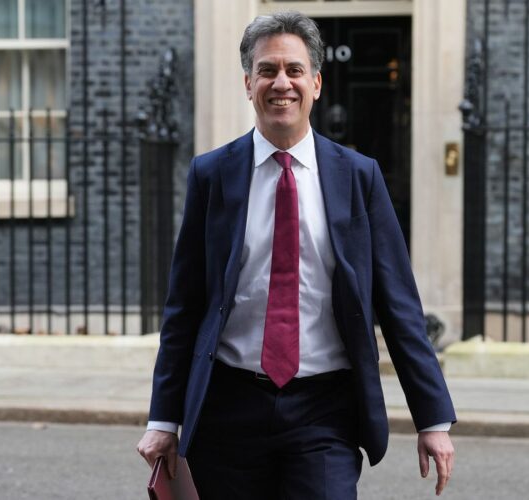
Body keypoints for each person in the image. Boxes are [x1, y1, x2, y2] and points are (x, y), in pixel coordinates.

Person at [137, 11, 456, 499]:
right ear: (248, 83)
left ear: (316, 83)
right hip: (228, 407)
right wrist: (164, 417)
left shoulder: (358, 176)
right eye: (267, 70)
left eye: (293, 70)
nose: (280, 83)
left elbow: (398, 302)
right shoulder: (212, 175)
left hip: (323, 410)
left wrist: (432, 417)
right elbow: (185, 306)